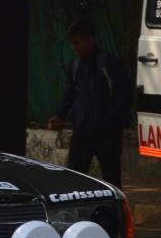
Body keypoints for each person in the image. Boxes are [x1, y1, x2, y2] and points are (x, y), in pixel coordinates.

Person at [47, 19, 133, 187]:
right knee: (74, 179)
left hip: (107, 135)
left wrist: (112, 122)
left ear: (90, 40)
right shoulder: (75, 66)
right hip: (82, 133)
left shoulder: (109, 63)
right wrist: (59, 114)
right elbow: (69, 93)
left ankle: (114, 212)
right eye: (72, 43)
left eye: (78, 43)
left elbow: (124, 96)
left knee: (112, 182)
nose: (74, 47)